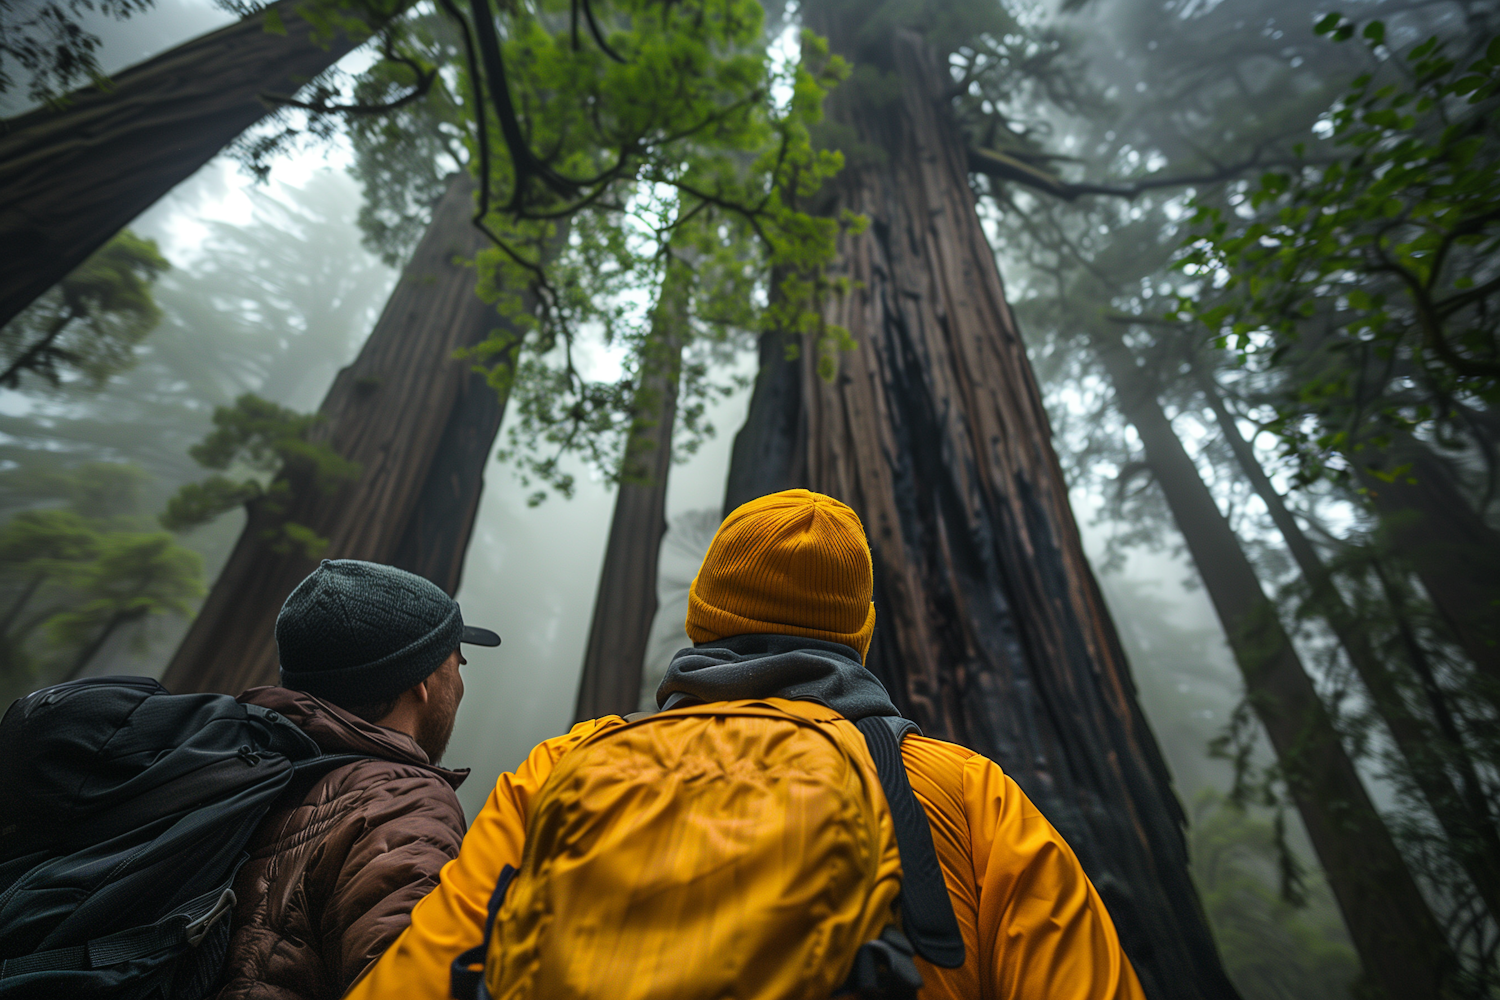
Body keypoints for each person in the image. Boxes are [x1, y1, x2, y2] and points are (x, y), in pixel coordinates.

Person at [344, 491, 1144, 1000]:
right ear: (857, 632)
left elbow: (421, 975)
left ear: (701, 617)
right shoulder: (961, 788)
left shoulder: (570, 761)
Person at [215, 558, 501, 1000]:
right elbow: (408, 985)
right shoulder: (403, 803)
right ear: (422, 681)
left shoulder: (232, 759)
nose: (460, 683)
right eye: (458, 660)